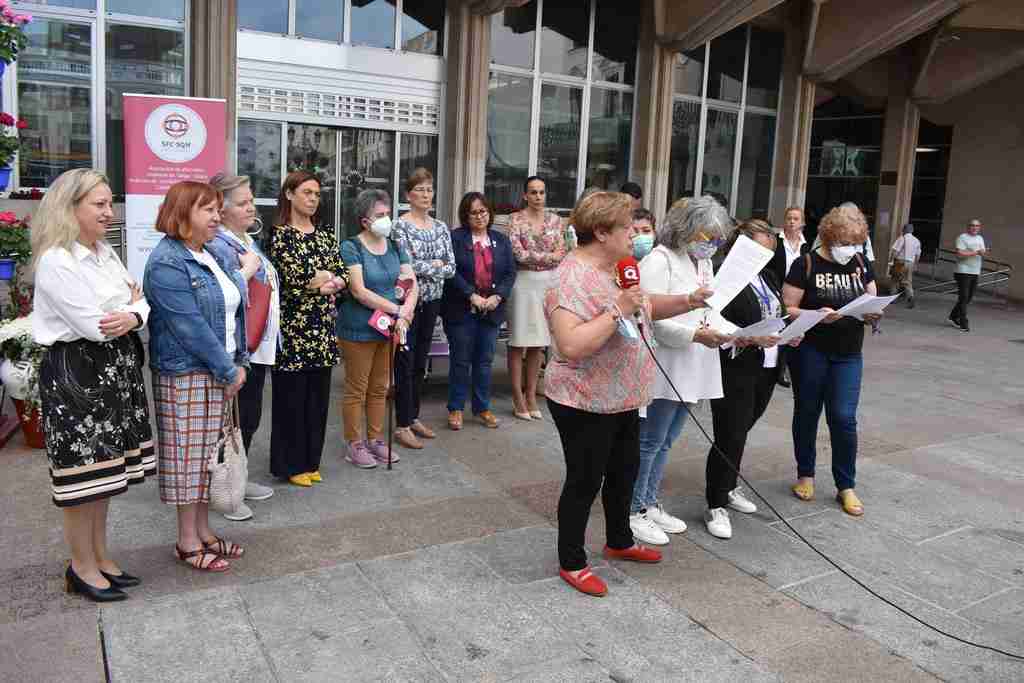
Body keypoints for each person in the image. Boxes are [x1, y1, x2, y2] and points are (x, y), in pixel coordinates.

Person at [545, 191, 713, 597]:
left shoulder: (621, 266)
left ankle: (619, 540)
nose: (636, 236)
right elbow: (570, 344)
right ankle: (572, 560)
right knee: (585, 481)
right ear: (601, 232)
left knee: (624, 471)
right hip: (583, 399)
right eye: (627, 228)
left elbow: (645, 304)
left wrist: (688, 300)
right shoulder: (570, 276)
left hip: (624, 395)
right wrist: (617, 309)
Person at [31, 168, 154, 601]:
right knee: (81, 481)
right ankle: (80, 567)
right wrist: (128, 309)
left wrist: (132, 312)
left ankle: (101, 556)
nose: (109, 211)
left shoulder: (104, 252)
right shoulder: (57, 260)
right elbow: (95, 324)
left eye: (110, 202)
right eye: (99, 204)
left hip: (113, 370)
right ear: (70, 208)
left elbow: (139, 302)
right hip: (76, 375)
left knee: (105, 476)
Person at [145, 180, 247, 573]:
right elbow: (189, 326)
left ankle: (204, 532)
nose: (216, 217)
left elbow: (230, 310)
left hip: (219, 371)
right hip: (187, 375)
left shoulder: (208, 254)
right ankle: (187, 542)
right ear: (182, 213)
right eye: (208, 210)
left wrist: (238, 363)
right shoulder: (167, 261)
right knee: (189, 461)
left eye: (217, 209)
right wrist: (228, 368)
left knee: (209, 459)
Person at [630, 196, 736, 546]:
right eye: (707, 236)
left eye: (716, 239)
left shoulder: (701, 263)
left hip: (695, 360)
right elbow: (652, 319)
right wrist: (695, 334)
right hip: (666, 362)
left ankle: (650, 500)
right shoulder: (660, 260)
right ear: (687, 230)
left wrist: (737, 335)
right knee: (650, 441)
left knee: (668, 440)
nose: (712, 245)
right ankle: (634, 509)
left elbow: (712, 309)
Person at [782, 204, 883, 517]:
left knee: (843, 417)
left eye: (855, 243)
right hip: (811, 350)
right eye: (843, 243)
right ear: (828, 238)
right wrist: (816, 316)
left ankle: (846, 484)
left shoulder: (861, 263)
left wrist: (872, 313)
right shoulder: (806, 263)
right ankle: (806, 474)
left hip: (849, 353)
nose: (849, 249)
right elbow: (787, 307)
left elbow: (873, 299)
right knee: (808, 411)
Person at [705, 220, 801, 539]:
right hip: (735, 365)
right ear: (740, 246)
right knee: (729, 433)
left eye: (770, 251)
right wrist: (745, 338)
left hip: (768, 364)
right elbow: (713, 321)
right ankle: (715, 502)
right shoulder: (725, 277)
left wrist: (788, 333)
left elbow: (775, 312)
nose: (766, 255)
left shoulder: (767, 276)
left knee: (743, 429)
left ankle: (729, 485)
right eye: (761, 249)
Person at [266, 171, 348, 487]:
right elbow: (295, 280)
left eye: (316, 193)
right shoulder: (279, 235)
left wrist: (330, 280)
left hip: (323, 331)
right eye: (306, 192)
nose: (313, 198)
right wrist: (324, 281)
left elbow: (341, 274)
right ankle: (289, 464)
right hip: (293, 332)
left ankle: (310, 460)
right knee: (291, 401)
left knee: (317, 401)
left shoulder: (326, 234)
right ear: (289, 194)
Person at [206, 172, 277, 521]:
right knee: (233, 417)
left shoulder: (245, 238)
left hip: (257, 342)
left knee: (248, 416)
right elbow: (221, 295)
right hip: (238, 346)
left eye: (252, 200)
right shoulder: (219, 244)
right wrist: (248, 271)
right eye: (243, 202)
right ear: (221, 208)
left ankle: (240, 477)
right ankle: (223, 487)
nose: (252, 207)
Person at [337, 189, 418, 468]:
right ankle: (354, 443)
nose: (387, 220)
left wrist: (407, 311)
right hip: (359, 328)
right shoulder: (351, 247)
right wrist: (396, 310)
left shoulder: (395, 244)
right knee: (357, 388)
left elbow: (410, 280)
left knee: (380, 387)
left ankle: (375, 440)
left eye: (387, 214)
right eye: (380, 215)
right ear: (364, 221)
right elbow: (358, 291)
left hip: (390, 329)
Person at [391, 168, 455, 448]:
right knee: (405, 362)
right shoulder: (399, 226)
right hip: (407, 304)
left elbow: (451, 267)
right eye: (420, 189)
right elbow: (405, 267)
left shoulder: (441, 227)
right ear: (408, 195)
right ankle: (402, 424)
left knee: (420, 364)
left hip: (433, 302)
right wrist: (435, 266)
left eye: (429, 189)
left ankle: (414, 415)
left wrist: (433, 268)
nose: (426, 194)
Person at [441, 192, 516, 430]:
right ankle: (455, 409)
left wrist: (497, 296)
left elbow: (510, 273)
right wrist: (470, 295)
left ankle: (482, 408)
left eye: (483, 211)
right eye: (474, 212)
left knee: (484, 361)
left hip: (492, 310)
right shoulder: (455, 238)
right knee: (461, 361)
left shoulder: (501, 240)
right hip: (461, 309)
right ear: (465, 215)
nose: (480, 216)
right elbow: (450, 271)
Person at [507, 176, 566, 420]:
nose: (538, 197)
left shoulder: (556, 219)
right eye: (533, 192)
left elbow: (562, 251)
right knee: (519, 341)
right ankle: (517, 397)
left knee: (539, 342)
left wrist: (544, 257)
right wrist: (547, 257)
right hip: (523, 283)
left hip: (548, 285)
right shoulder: (515, 219)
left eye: (541, 192)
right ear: (525, 195)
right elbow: (518, 253)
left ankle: (531, 394)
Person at [769, 206, 809, 388]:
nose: (792, 221)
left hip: (796, 295)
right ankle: (773, 366)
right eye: (789, 218)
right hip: (775, 290)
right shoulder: (776, 242)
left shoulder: (806, 247)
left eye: (796, 219)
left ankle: (782, 368)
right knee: (776, 327)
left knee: (791, 330)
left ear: (802, 223)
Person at [948, 218, 986, 332]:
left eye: (977, 226)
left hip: (975, 271)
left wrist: (983, 252)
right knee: (964, 297)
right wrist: (976, 252)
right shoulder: (962, 237)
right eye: (972, 225)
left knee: (968, 297)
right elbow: (960, 254)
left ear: (979, 228)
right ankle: (963, 322)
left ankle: (953, 315)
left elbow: (982, 252)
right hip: (963, 271)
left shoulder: (980, 238)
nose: (975, 227)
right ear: (968, 227)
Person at [888, 223, 921, 308]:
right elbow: (918, 255)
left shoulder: (902, 238)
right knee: (908, 282)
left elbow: (895, 251)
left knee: (895, 280)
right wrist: (915, 264)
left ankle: (892, 299)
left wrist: (891, 260)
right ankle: (910, 296)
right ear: (912, 230)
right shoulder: (917, 240)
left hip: (900, 262)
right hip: (910, 263)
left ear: (904, 230)